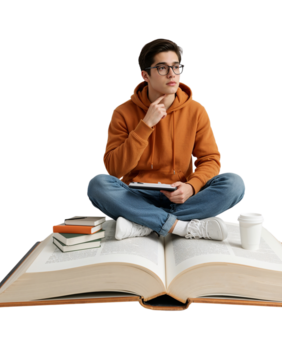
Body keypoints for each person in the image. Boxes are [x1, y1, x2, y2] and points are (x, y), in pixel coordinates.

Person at [86, 38, 246, 241]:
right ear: (144, 75)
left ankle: (143, 224)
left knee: (235, 183)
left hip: (182, 196)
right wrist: (145, 125)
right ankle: (179, 226)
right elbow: (114, 169)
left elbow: (211, 161)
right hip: (136, 196)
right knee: (97, 184)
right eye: (162, 68)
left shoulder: (197, 111)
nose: (172, 74)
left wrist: (192, 187)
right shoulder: (121, 112)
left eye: (176, 67)